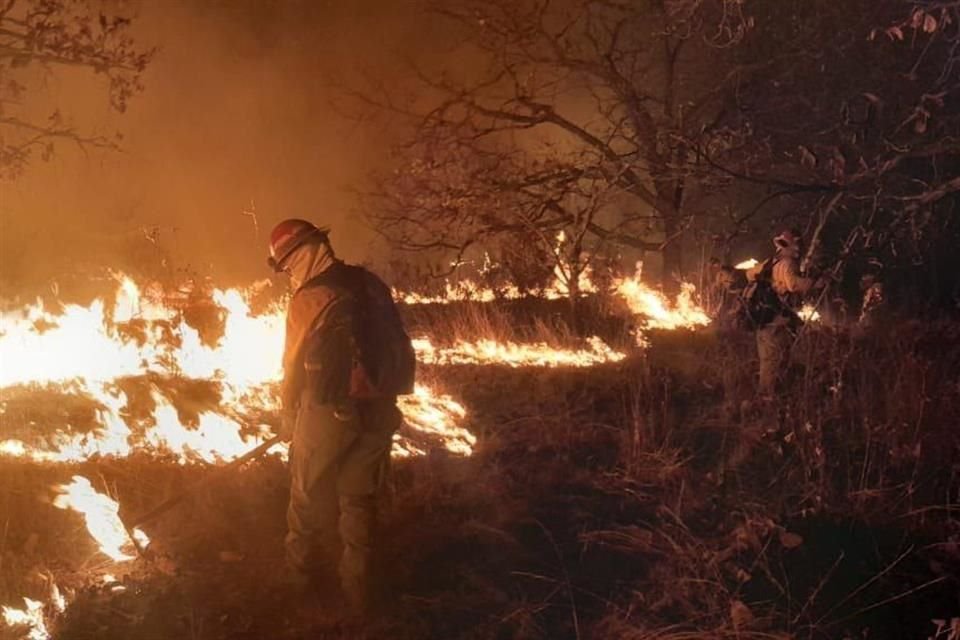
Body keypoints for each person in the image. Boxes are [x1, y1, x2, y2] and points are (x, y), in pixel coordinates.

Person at [268, 218, 413, 615]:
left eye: (288, 265)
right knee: (358, 499)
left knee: (304, 494)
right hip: (380, 409)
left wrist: (287, 412)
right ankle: (358, 594)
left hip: (329, 408)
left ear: (304, 253)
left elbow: (292, 363)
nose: (289, 273)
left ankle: (296, 582)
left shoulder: (309, 298)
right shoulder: (371, 283)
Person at [746, 229, 816, 399]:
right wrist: (813, 281)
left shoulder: (770, 262)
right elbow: (793, 285)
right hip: (776, 320)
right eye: (797, 244)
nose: (799, 248)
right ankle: (769, 400)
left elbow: (749, 274)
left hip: (763, 319)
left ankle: (768, 396)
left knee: (768, 361)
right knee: (775, 361)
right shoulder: (787, 263)